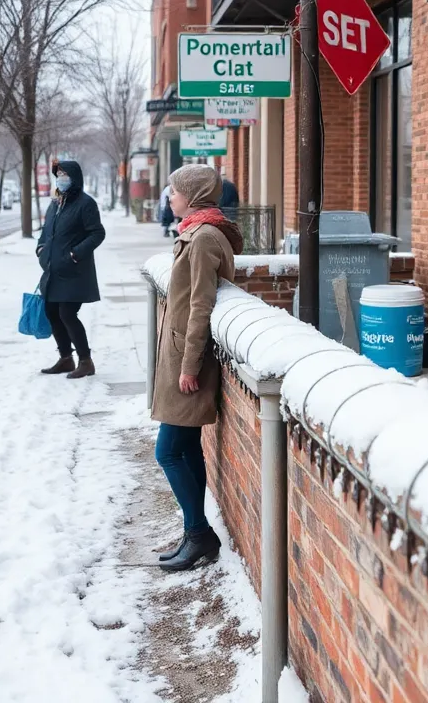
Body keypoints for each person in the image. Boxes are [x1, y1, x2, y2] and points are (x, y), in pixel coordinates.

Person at [151, 164, 244, 572]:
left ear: (193, 195)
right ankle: (195, 532)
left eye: (174, 191)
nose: (169, 197)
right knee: (185, 448)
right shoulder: (196, 231)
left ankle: (199, 533)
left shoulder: (205, 237)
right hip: (180, 353)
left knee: (168, 451)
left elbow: (201, 305)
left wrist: (188, 366)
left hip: (189, 359)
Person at [36, 160, 106, 379]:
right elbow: (47, 231)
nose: (61, 177)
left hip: (74, 270)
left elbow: (97, 233)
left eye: (65, 174)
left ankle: (86, 361)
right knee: (51, 311)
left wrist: (75, 254)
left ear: (74, 176)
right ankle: (66, 358)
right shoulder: (55, 203)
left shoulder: (86, 204)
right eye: (58, 174)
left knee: (67, 312)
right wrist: (40, 248)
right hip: (53, 269)